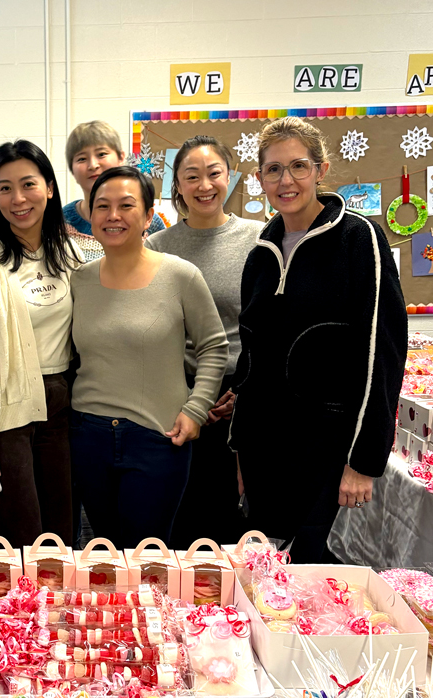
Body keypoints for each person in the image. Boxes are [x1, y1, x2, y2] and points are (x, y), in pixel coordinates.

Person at [230, 117, 407, 563]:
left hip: (329, 448)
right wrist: (240, 448)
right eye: (273, 169)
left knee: (318, 575)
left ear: (320, 170)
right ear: (260, 178)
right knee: (270, 579)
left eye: (298, 166)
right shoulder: (260, 255)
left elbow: (382, 351)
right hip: (266, 451)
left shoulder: (358, 238)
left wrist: (364, 460)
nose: (286, 180)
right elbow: (251, 359)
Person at [70, 166, 228, 548]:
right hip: (88, 436)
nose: (113, 215)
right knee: (105, 552)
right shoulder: (79, 280)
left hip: (158, 438)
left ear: (147, 216)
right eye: (102, 206)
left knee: (147, 555)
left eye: (126, 205)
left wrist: (196, 410)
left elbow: (213, 346)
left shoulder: (181, 276)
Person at [0, 140, 80, 547]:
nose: (18, 199)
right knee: (18, 532)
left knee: (61, 528)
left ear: (49, 188)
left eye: (28, 184)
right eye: (4, 188)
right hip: (8, 408)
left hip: (61, 403)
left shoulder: (71, 254)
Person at [146, 135, 263, 548]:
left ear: (229, 177)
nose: (204, 185)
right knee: (179, 516)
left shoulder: (259, 239)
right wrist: (184, 397)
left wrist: (243, 392)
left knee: (232, 520)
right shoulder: (157, 247)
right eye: (191, 176)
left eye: (214, 173)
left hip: (239, 395)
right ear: (177, 184)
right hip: (177, 396)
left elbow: (267, 327)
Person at [63, 120, 165, 262]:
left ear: (121, 158)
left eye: (101, 154)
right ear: (72, 169)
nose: (93, 165)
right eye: (81, 159)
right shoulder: (60, 222)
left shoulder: (151, 223)